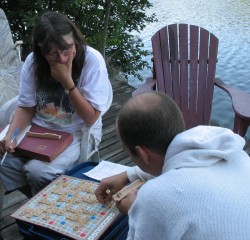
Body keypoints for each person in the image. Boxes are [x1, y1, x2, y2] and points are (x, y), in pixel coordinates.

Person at [95, 92, 250, 240]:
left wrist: (133, 210)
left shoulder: (154, 197)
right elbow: (177, 162)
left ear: (142, 154)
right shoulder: (226, 149)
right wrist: (126, 175)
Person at [0, 11, 111, 197]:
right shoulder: (33, 63)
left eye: (67, 49)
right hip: (39, 129)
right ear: (41, 52)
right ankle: (40, 201)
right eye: (53, 53)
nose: (62, 58)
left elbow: (91, 117)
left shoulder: (92, 60)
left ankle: (44, 202)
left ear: (75, 40)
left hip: (77, 130)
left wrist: (68, 82)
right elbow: (26, 107)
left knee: (37, 172)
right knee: (4, 161)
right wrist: (11, 135)